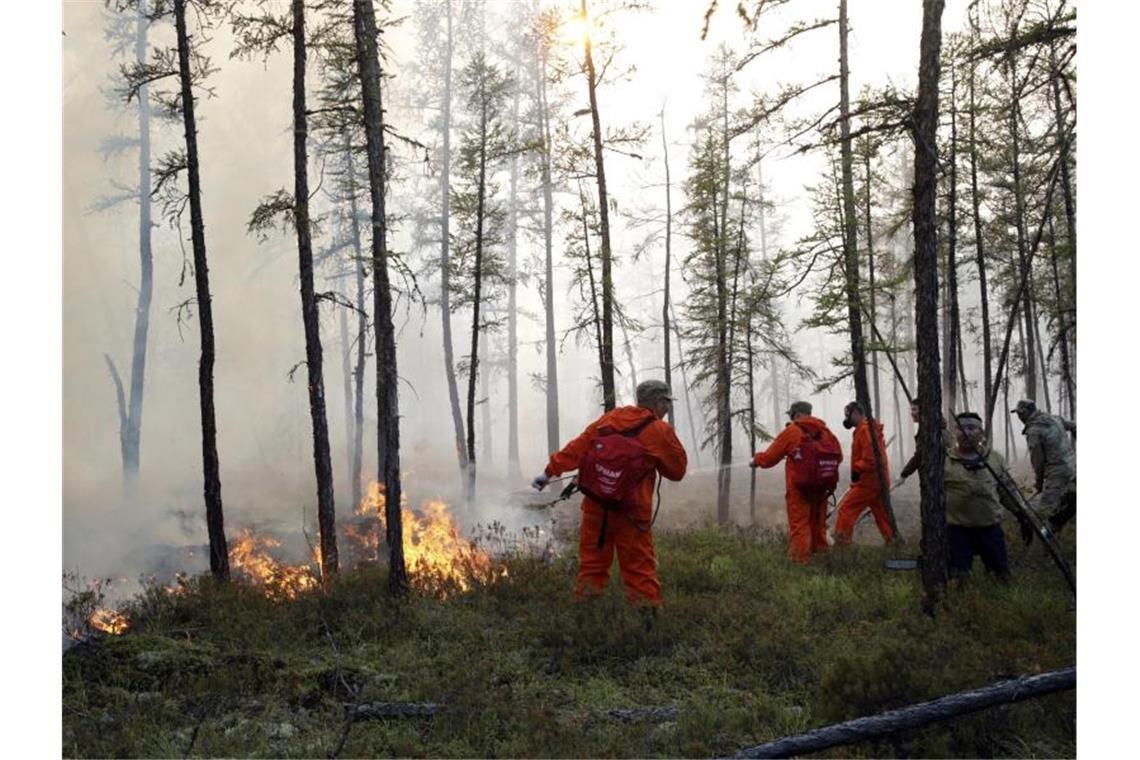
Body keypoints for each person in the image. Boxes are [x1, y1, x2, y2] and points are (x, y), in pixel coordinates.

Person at [532, 379, 687, 606]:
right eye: (666, 403)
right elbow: (677, 471)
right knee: (639, 571)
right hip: (631, 513)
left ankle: (587, 622)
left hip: (597, 507)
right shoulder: (659, 430)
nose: (667, 408)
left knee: (592, 567)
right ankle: (646, 625)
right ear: (656, 402)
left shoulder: (611, 418)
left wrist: (548, 473)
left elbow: (579, 446)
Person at [944, 411, 1034, 582]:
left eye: (972, 428)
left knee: (999, 576)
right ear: (954, 432)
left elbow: (1007, 491)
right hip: (956, 531)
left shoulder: (994, 459)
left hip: (989, 529)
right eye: (961, 428)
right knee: (958, 579)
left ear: (981, 433)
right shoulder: (945, 460)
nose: (966, 433)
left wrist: (1022, 515)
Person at [750, 401, 842, 564]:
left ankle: (799, 565)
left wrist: (756, 460)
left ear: (797, 415)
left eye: (792, 415)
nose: (791, 419)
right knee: (818, 524)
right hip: (821, 489)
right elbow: (838, 456)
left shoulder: (792, 431)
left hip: (799, 489)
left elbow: (769, 458)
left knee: (800, 526)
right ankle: (821, 559)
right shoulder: (825, 432)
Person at [832, 401, 895, 546]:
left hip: (869, 482)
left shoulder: (865, 431)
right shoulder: (865, 430)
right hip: (877, 481)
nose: (846, 419)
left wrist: (857, 470)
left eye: (848, 415)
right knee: (881, 515)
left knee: (846, 510)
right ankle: (893, 543)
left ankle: (842, 547)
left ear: (856, 413)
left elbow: (871, 459)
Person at [1013, 399, 1076, 532]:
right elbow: (1074, 426)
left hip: (1057, 473)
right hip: (1073, 468)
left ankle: (1047, 541)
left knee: (1045, 510)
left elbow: (1038, 462)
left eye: (1020, 414)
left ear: (1026, 413)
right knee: (1068, 500)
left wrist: (1039, 482)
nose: (1019, 417)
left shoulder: (1034, 431)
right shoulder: (1054, 419)